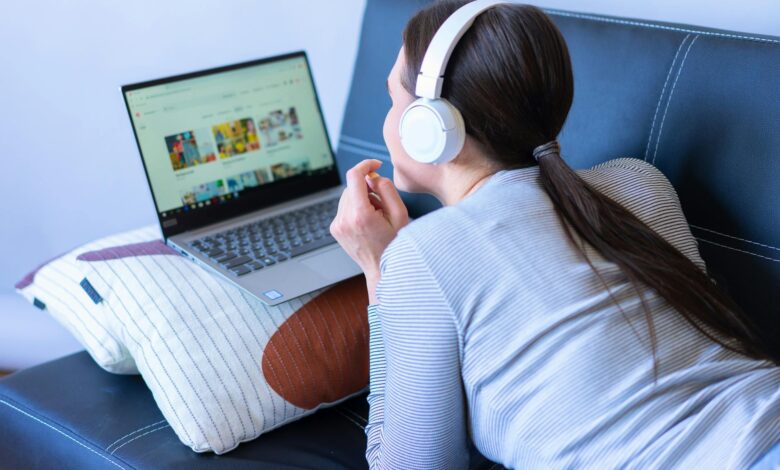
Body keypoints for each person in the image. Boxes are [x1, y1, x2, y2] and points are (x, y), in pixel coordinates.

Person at [329, 1, 780, 469]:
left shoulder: (422, 257)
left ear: (431, 127)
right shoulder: (638, 183)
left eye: (393, 101)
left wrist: (378, 267)